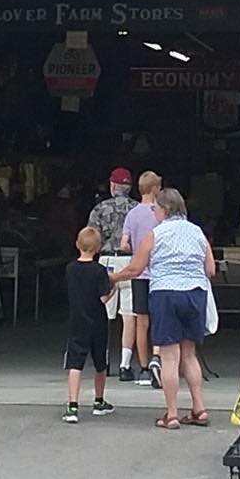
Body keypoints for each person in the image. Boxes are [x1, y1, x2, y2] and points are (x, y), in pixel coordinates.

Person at [107, 188, 217, 430]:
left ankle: (172, 413)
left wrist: (113, 278)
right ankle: (199, 408)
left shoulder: (155, 235)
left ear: (165, 209)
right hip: (195, 294)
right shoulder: (197, 232)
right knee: (189, 354)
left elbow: (135, 269)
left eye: (155, 208)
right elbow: (210, 270)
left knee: (169, 357)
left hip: (166, 294)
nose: (154, 212)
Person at [85, 168, 144, 380]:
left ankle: (104, 361)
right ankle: (125, 365)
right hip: (131, 262)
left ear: (112, 186)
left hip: (107, 261)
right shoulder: (139, 209)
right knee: (129, 316)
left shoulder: (100, 208)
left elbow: (91, 237)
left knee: (103, 312)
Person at [61, 226, 117, 424]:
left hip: (77, 320)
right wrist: (113, 288)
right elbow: (102, 298)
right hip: (98, 321)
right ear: (98, 248)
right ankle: (99, 400)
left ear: (77, 244)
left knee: (75, 363)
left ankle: (72, 405)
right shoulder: (99, 270)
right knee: (100, 363)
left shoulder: (70, 269)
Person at [119, 170, 163, 387]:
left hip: (138, 273)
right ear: (155, 189)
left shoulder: (132, 214)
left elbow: (123, 244)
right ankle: (157, 360)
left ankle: (144, 368)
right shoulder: (160, 213)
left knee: (141, 323)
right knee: (159, 320)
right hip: (158, 274)